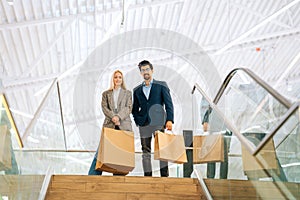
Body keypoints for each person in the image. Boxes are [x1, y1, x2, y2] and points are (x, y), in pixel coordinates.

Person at [132, 60, 174, 177]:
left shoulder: (161, 85)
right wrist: (137, 121)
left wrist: (169, 120)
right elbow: (134, 109)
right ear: (140, 73)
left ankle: (164, 177)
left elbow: (169, 104)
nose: (145, 72)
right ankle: (147, 177)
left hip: (158, 122)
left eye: (147, 69)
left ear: (152, 70)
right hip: (143, 124)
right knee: (145, 151)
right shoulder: (137, 90)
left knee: (161, 150)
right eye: (143, 70)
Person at [88, 70, 133, 175]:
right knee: (100, 153)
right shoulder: (106, 94)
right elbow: (104, 108)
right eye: (116, 77)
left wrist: (119, 117)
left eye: (120, 77)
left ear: (122, 80)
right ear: (113, 79)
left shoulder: (128, 93)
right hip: (110, 125)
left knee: (120, 155)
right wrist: (113, 117)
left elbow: (128, 108)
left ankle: (118, 177)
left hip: (124, 126)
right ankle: (92, 176)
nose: (118, 79)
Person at [202, 106, 232, 179]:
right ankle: (210, 178)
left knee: (224, 157)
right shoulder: (216, 99)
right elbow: (210, 107)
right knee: (212, 157)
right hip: (214, 129)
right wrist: (205, 120)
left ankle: (223, 178)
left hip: (225, 130)